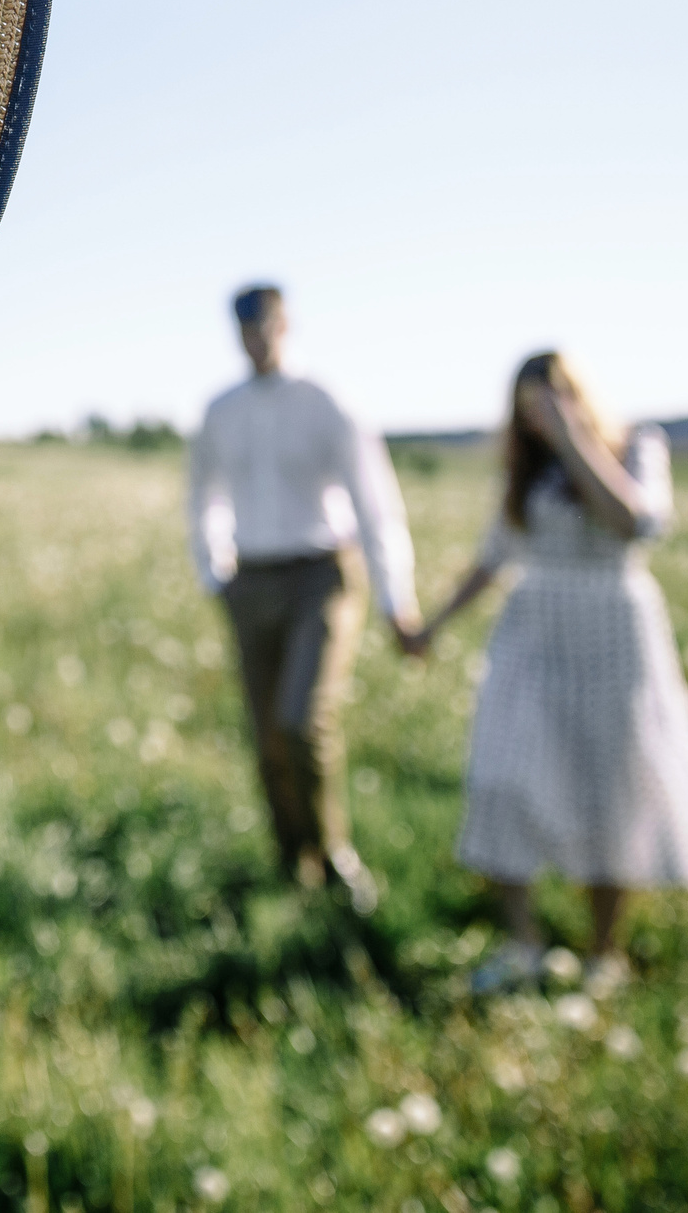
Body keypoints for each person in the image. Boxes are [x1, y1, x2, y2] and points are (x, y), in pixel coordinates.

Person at [408, 352, 688, 994]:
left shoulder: (638, 447)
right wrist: (433, 624)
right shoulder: (523, 471)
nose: (542, 415)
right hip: (533, 632)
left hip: (613, 633)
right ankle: (521, 944)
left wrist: (574, 440)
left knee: (611, 791)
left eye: (553, 397)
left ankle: (601, 955)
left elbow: (634, 522)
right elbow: (493, 556)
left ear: (579, 394)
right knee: (503, 777)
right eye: (530, 405)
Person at [188, 284, 424, 913]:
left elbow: (375, 503)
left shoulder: (325, 401)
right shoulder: (221, 410)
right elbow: (203, 497)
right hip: (251, 580)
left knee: (302, 719)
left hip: (321, 576)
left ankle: (335, 855)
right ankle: (293, 862)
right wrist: (216, 575)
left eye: (265, 326)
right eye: (244, 329)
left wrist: (396, 600)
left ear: (284, 324)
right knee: (267, 733)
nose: (256, 339)